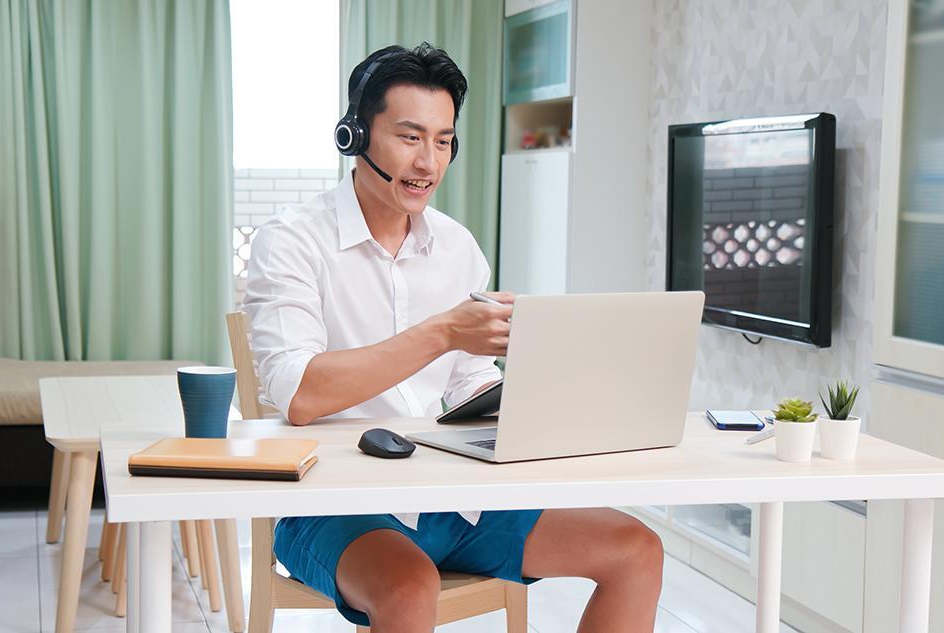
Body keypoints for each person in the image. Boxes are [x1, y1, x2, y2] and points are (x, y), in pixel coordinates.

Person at [242, 42, 664, 633]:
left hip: (453, 496)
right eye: (410, 138)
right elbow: (300, 395)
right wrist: (443, 332)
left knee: (635, 548)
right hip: (331, 506)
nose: (428, 163)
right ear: (353, 136)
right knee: (412, 585)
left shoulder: (457, 245)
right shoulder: (291, 242)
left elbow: (469, 384)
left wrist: (537, 397)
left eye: (443, 142)